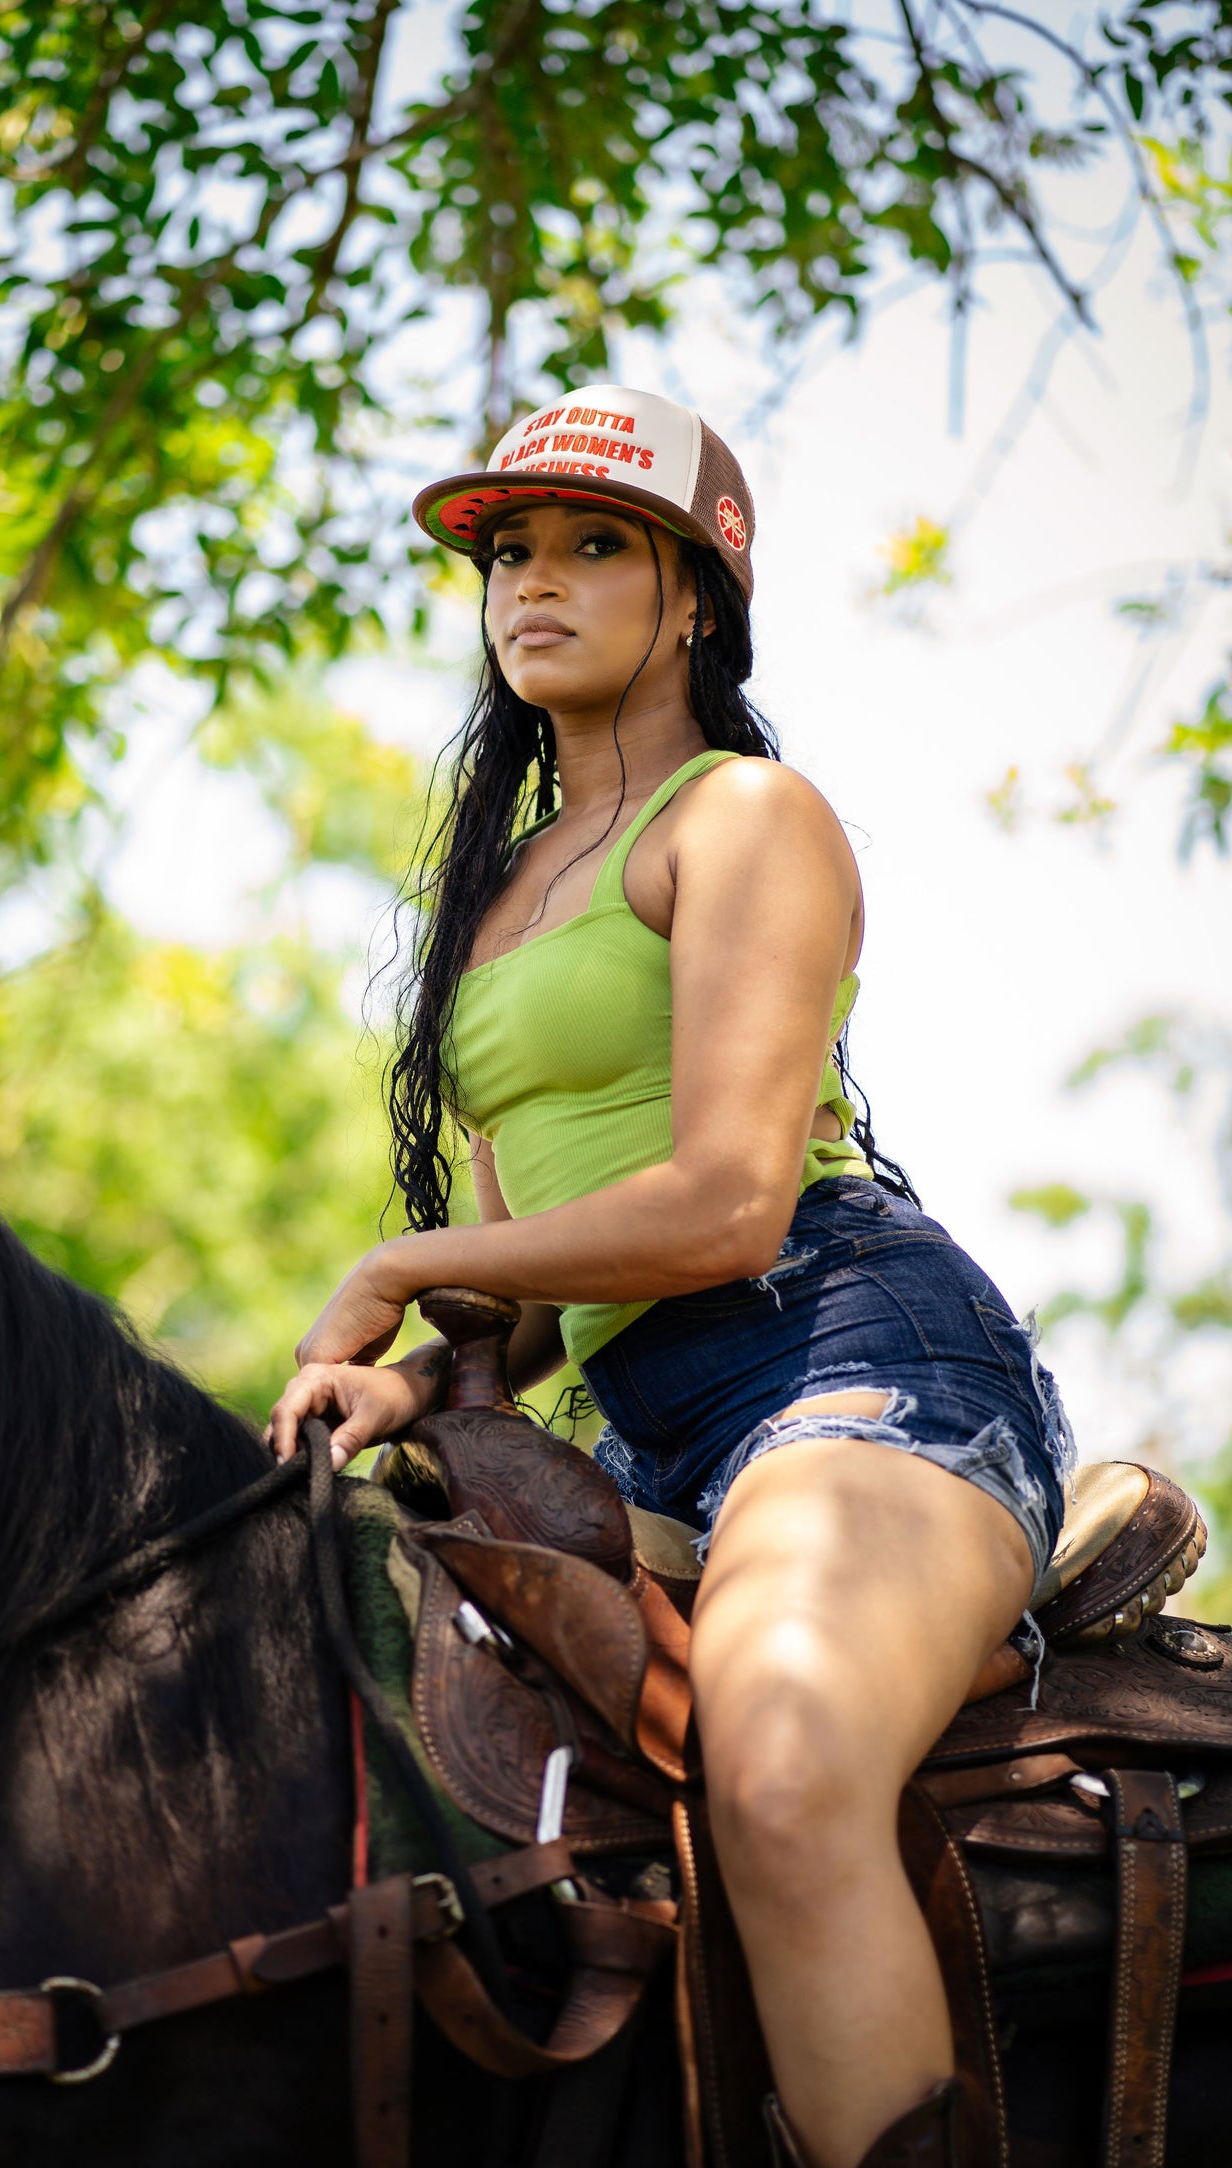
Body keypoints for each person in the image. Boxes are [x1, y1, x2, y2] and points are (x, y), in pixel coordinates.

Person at [268, 385, 1074, 2168]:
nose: (529, 586)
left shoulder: (747, 815)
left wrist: (400, 1260)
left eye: (590, 546)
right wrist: (409, 1379)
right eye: (506, 555)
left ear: (696, 592)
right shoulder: (493, 904)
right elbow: (548, 1290)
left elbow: (719, 1207)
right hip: (637, 1435)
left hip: (850, 1362)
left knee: (781, 1767)